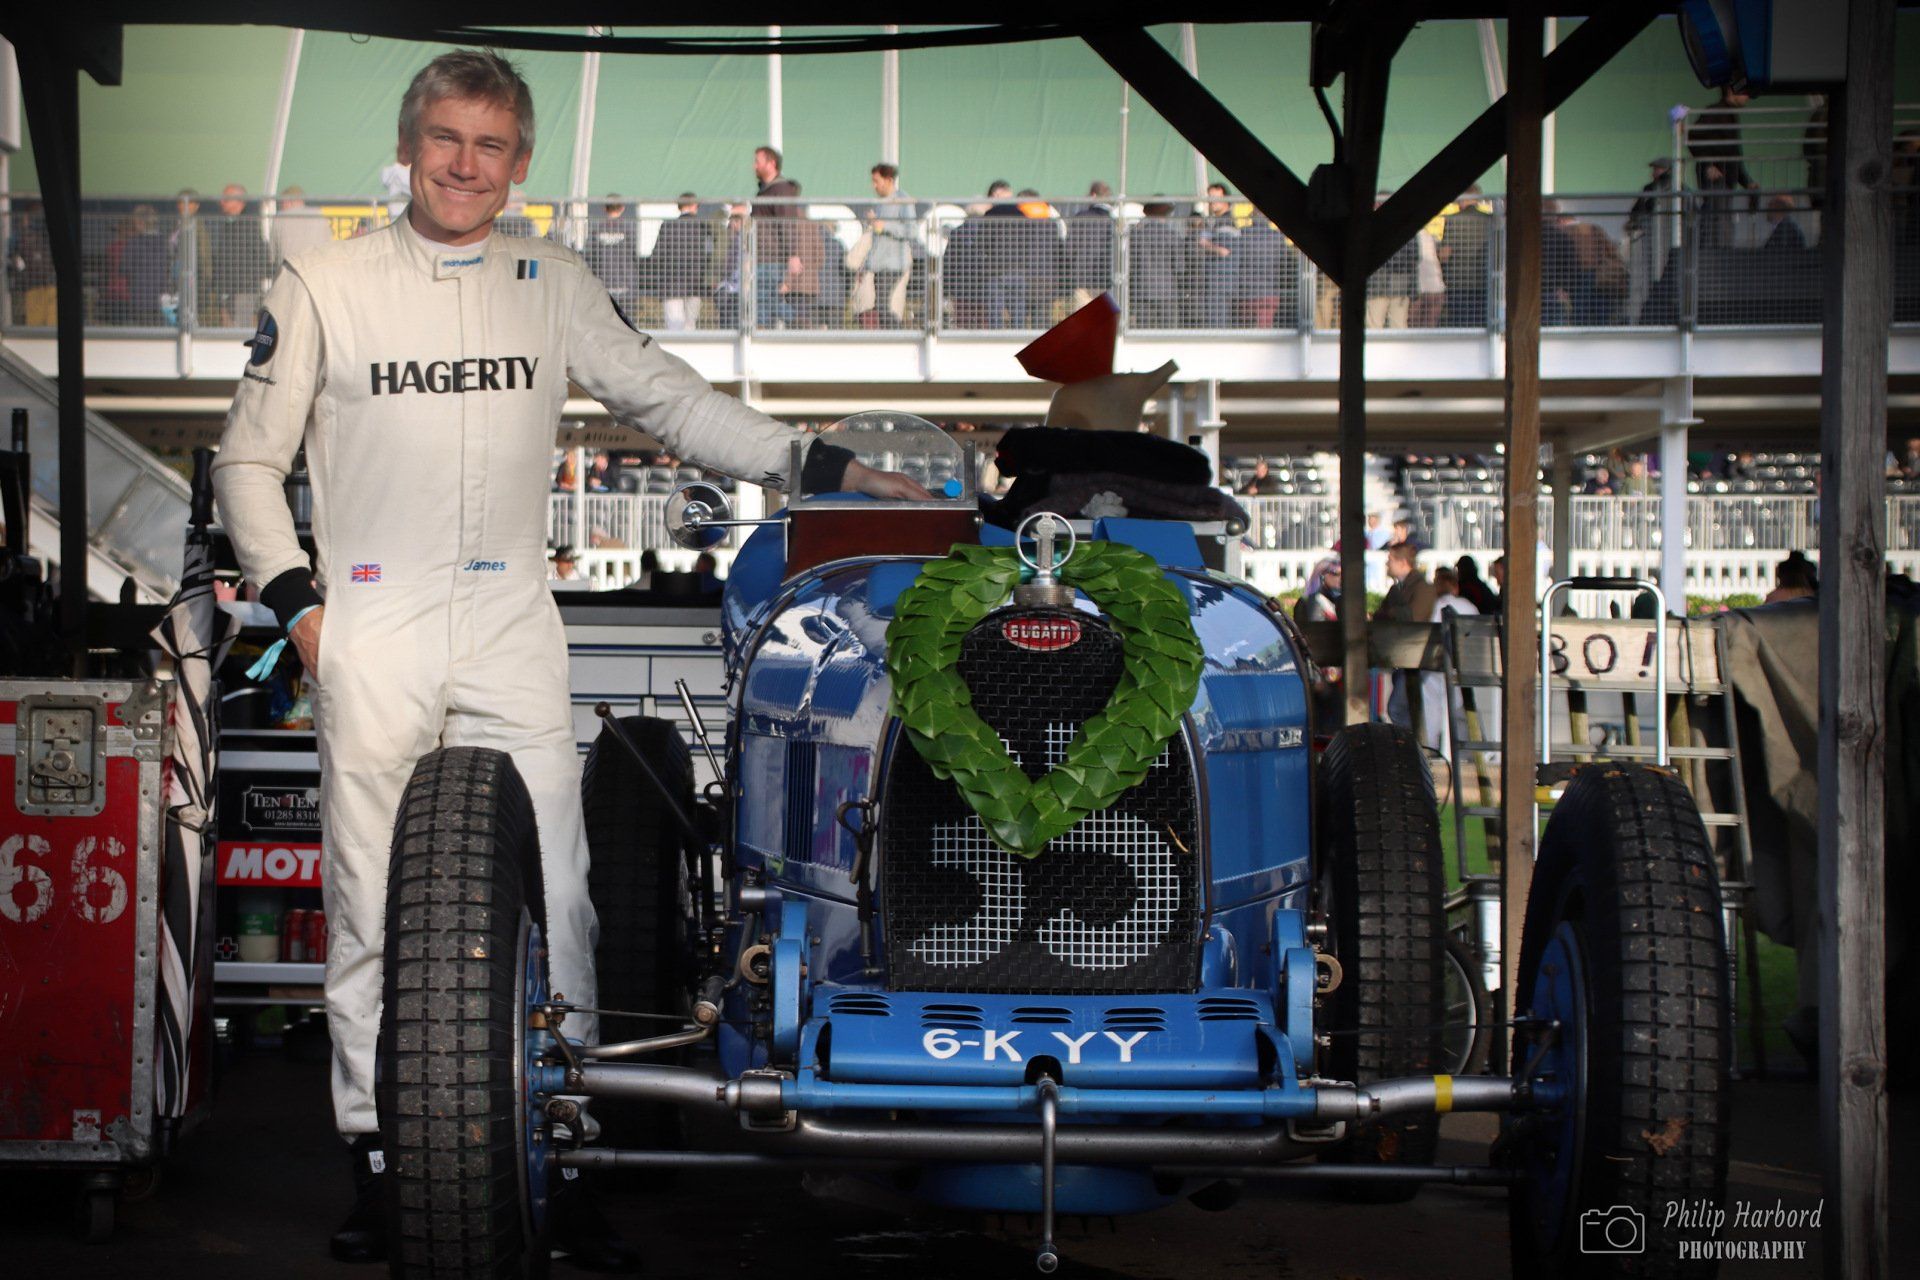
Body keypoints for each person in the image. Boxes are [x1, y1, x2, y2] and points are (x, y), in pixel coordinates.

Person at [209, 48, 929, 1270]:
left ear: (521, 163)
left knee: (562, 891)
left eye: (490, 146)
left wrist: (830, 468)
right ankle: (379, 1159)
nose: (465, 166)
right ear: (408, 144)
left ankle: (568, 1143)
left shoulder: (551, 280)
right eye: (446, 139)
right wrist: (299, 608)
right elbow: (245, 461)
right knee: (371, 902)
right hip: (371, 615)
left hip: (508, 613)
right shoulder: (324, 279)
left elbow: (670, 399)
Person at [751, 145, 803, 327]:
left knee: (764, 299)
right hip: (762, 257)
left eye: (757, 161)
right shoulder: (765, 190)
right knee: (767, 300)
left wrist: (793, 255)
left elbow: (787, 223)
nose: (754, 166)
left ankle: (801, 325)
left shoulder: (781, 189)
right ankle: (802, 325)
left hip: (771, 258)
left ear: (771, 163)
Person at [860, 163, 917, 328]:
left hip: (893, 264)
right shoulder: (880, 203)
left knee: (883, 307)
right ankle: (890, 336)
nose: (874, 185)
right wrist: (866, 264)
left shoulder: (902, 200)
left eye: (876, 181)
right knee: (880, 307)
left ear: (889, 180)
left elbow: (911, 230)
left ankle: (898, 335)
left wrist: (884, 225)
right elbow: (877, 238)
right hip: (878, 264)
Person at [212, 184, 274, 326]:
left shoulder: (249, 225)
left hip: (244, 291)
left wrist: (248, 280)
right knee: (229, 330)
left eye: (226, 199)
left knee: (240, 330)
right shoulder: (227, 225)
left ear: (239, 202)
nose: (222, 202)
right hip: (228, 291)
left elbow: (261, 256)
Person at [650, 193, 711, 330]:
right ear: (695, 205)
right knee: (690, 325)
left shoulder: (668, 226)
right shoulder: (704, 227)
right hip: (696, 283)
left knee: (674, 326)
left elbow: (657, 255)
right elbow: (709, 255)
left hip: (671, 283)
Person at [581, 194, 644, 321]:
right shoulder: (629, 229)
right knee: (627, 322)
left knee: (604, 321)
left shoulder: (596, 229)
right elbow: (635, 253)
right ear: (622, 208)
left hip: (603, 283)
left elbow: (590, 255)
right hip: (627, 284)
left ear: (605, 208)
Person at [1186, 182, 1238, 328]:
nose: (1212, 202)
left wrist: (1205, 244)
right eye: (1210, 197)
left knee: (1217, 325)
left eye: (1216, 198)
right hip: (1216, 282)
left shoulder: (1227, 222)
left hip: (1221, 283)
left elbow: (1225, 251)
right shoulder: (1216, 222)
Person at [1439, 185, 1493, 327]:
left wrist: (1442, 268)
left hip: (1458, 280)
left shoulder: (1453, 220)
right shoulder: (1489, 220)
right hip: (1484, 279)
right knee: (1480, 323)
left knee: (1460, 323)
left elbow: (1445, 253)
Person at [1063, 182, 1116, 312]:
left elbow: (1069, 249)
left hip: (1082, 277)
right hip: (1107, 276)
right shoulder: (1114, 220)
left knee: (1083, 316)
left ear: (1093, 195)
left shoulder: (1081, 217)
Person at [272, 186, 335, 266]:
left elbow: (272, 255)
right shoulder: (318, 213)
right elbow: (329, 243)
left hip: (290, 269)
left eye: (281, 203)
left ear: (288, 201)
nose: (280, 207)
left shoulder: (279, 219)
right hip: (318, 266)